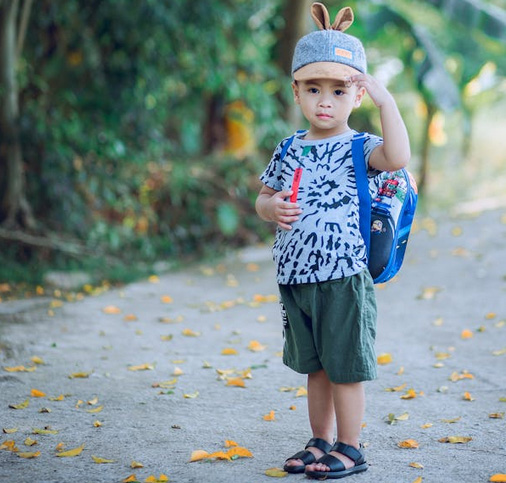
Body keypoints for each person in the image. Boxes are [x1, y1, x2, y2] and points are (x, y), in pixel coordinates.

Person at [255, 2, 410, 480]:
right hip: (295, 274)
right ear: (297, 90)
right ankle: (320, 440)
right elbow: (263, 196)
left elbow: (399, 156)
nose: (325, 100)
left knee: (345, 367)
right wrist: (271, 207)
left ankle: (351, 446)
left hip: (343, 275)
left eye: (339, 90)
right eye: (314, 88)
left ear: (356, 95)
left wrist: (388, 103)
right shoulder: (289, 146)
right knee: (315, 367)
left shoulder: (361, 147)